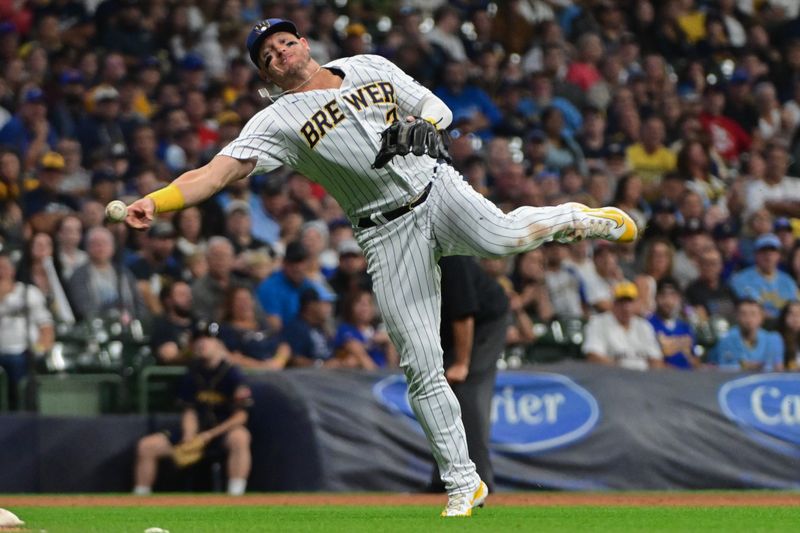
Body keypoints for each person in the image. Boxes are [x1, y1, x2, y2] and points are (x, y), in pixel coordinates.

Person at [124, 18, 637, 517]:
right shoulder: (275, 121)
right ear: (267, 76)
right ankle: (464, 483)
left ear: (304, 43)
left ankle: (578, 218)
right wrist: (158, 200)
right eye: (268, 57)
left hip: (437, 188)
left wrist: (423, 125)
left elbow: (437, 109)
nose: (280, 54)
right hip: (384, 233)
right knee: (419, 361)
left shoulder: (368, 65)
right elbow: (215, 173)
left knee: (502, 237)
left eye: (284, 43)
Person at [133, 321, 253, 496]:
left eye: (208, 338)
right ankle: (139, 498)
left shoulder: (232, 373)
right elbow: (189, 410)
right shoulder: (192, 373)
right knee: (147, 446)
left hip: (220, 433)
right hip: (198, 432)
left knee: (241, 437)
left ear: (219, 343)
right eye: (197, 338)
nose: (202, 343)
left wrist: (209, 435)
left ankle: (235, 496)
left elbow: (241, 416)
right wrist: (189, 435)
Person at [428, 255, 509, 494]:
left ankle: (478, 481)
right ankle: (442, 480)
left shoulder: (450, 258)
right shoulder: (409, 262)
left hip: (484, 322)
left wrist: (462, 363)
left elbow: (464, 313)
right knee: (440, 399)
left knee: (466, 395)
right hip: (448, 331)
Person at [0, 251, 54, 409]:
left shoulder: (29, 293)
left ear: (12, 270)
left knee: (18, 363)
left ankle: (19, 412)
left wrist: (39, 349)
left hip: (25, 353)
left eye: (4, 267)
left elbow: (46, 327)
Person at [582, 281, 664, 371]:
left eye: (630, 302)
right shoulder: (598, 323)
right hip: (611, 378)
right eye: (621, 302)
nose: (626, 307)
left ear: (636, 303)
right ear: (613, 303)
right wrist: (622, 371)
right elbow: (593, 356)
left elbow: (656, 360)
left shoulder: (644, 326)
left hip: (643, 379)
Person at [729, 233, 799, 321]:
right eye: (763, 251)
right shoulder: (740, 280)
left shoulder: (788, 282)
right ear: (756, 255)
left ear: (779, 255)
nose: (768, 255)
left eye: (772, 251)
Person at [710, 299, 784, 372]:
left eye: (753, 314)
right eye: (743, 314)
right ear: (737, 316)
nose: (748, 319)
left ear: (762, 317)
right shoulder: (726, 340)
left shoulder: (773, 340)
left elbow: (778, 368)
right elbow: (724, 369)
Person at [333, 289, 396, 369]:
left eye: (368, 303)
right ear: (350, 307)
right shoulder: (345, 329)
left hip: (384, 374)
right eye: (360, 303)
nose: (364, 307)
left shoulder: (377, 330)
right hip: (365, 378)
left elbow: (392, 365)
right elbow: (359, 354)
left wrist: (389, 340)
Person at [647, 278, 699, 369]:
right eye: (663, 296)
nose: (668, 301)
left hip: (689, 379)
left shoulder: (686, 327)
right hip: (660, 380)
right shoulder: (648, 325)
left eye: (673, 296)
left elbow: (695, 360)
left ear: (679, 299)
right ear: (656, 298)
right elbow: (651, 362)